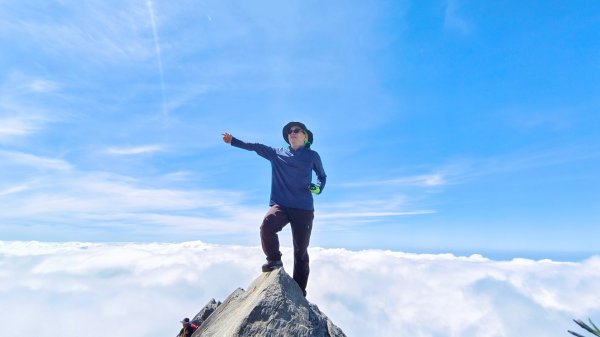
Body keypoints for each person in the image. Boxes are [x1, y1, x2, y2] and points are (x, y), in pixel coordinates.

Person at [222, 121, 327, 297]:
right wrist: (234, 141)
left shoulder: (312, 156)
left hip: (303, 209)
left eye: (296, 131)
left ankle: (299, 291)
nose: (292, 133)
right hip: (282, 205)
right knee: (267, 225)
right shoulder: (276, 154)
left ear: (306, 136)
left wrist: (317, 187)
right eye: (289, 132)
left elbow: (322, 176)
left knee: (300, 251)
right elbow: (255, 147)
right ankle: (274, 260)